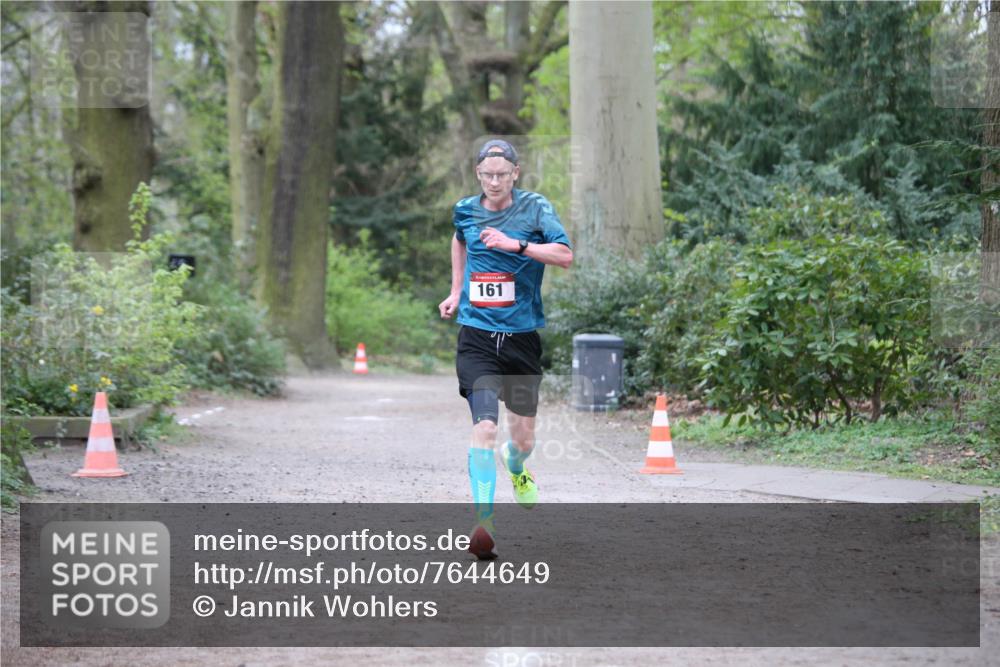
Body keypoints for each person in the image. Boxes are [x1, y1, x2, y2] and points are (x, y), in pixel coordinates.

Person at [438, 139, 573, 560]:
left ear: (516, 173)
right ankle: (484, 522)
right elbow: (459, 240)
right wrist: (457, 291)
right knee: (485, 428)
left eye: (502, 174)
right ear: (477, 175)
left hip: (521, 340)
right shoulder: (465, 208)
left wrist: (516, 245)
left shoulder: (535, 209)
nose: (494, 181)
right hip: (477, 336)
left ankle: (516, 468)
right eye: (486, 175)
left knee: (522, 438)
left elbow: (565, 255)